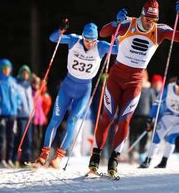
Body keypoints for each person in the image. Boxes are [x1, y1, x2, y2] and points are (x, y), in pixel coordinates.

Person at [88, 0, 179, 176]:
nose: (150, 22)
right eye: (148, 18)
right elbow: (103, 34)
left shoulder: (159, 31)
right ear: (142, 15)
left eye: (154, 19)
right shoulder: (129, 23)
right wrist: (115, 22)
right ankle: (95, 156)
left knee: (124, 120)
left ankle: (113, 159)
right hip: (116, 78)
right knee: (107, 117)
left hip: (135, 82)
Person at [34, 20, 118, 169]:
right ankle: (44, 154)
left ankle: (59, 157)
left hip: (84, 90)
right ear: (83, 37)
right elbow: (53, 39)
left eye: (92, 41)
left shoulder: (101, 46)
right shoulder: (74, 40)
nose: (89, 44)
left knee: (72, 121)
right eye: (87, 40)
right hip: (67, 87)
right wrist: (61, 30)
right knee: (55, 119)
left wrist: (118, 34)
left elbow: (118, 50)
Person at [139, 71, 179, 168]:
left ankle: (163, 162)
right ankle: (147, 161)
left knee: (171, 137)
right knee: (157, 135)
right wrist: (150, 118)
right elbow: (157, 102)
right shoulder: (169, 88)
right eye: (178, 88)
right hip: (169, 115)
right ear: (175, 85)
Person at [128, 69, 155, 163]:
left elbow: (153, 104)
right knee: (132, 137)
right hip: (134, 117)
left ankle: (141, 154)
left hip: (146, 117)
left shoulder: (150, 90)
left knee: (144, 138)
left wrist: (153, 117)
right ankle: (131, 154)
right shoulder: (135, 88)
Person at [13, 65, 34, 166]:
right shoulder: (17, 85)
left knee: (28, 139)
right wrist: (18, 109)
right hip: (20, 116)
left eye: (27, 73)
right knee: (20, 138)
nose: (25, 75)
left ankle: (26, 160)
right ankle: (16, 159)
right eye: (23, 73)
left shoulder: (28, 86)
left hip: (29, 116)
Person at [31, 74, 52, 161]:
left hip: (42, 119)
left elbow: (47, 106)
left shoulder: (44, 93)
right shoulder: (34, 92)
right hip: (34, 119)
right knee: (35, 139)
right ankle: (34, 157)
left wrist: (44, 114)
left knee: (41, 139)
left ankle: (40, 158)